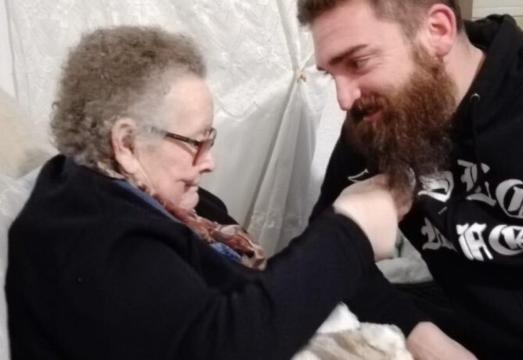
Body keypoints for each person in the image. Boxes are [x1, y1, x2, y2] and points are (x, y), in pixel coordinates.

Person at [5, 25, 411, 360]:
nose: (209, 161)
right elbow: (224, 346)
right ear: (126, 144)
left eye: (210, 139)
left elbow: (254, 290)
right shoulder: (90, 238)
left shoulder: (164, 202)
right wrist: (348, 235)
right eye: (196, 142)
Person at [297, 0, 523, 358]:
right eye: (330, 73)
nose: (343, 98)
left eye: (358, 62)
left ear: (438, 30)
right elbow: (329, 254)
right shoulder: (375, 126)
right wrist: (420, 335)